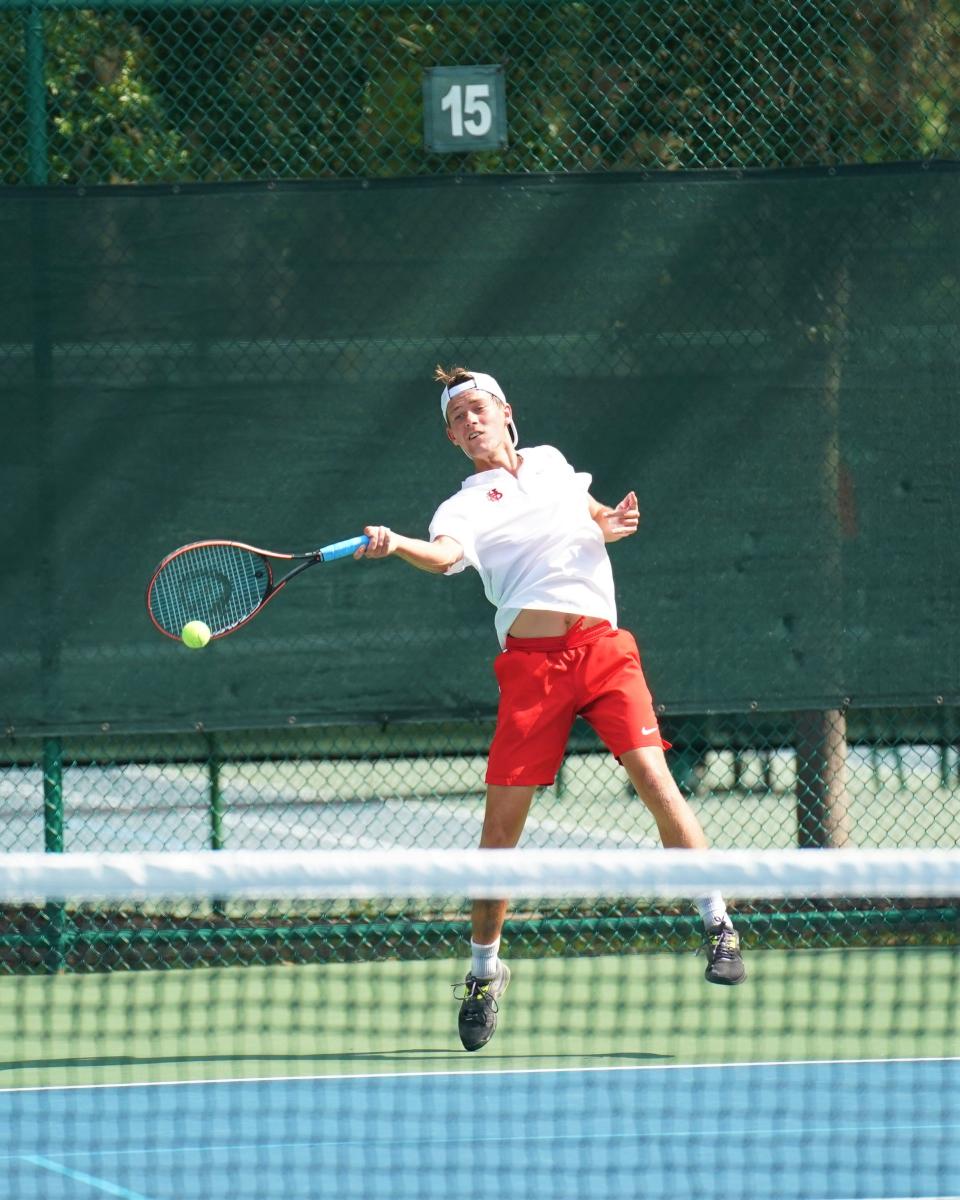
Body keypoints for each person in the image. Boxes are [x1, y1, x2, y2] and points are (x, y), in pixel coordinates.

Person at [357, 366, 745, 1051]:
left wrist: (611, 521)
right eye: (457, 419)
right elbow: (445, 557)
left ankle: (717, 922)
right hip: (533, 670)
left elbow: (587, 513)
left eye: (479, 409)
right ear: (452, 437)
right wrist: (397, 544)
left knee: (656, 782)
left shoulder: (553, 463)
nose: (470, 422)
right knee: (500, 832)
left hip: (601, 647)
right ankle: (483, 972)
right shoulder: (464, 507)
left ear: (507, 413)